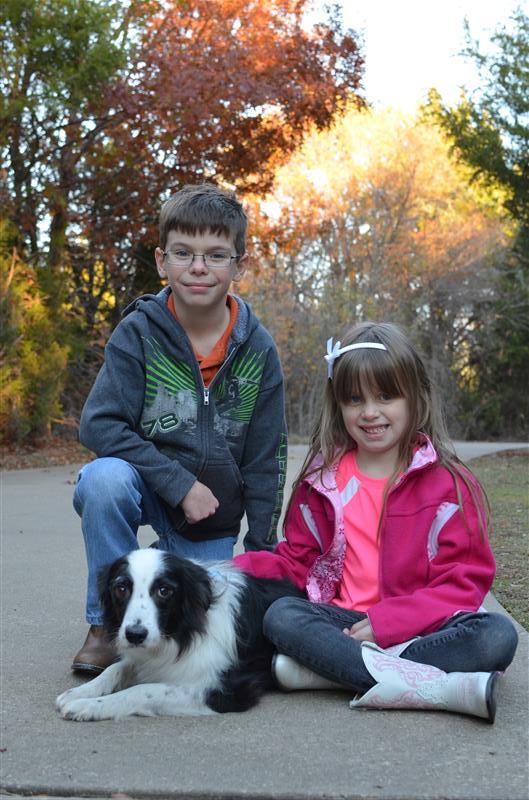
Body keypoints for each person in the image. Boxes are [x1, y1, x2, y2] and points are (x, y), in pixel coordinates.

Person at [234, 321, 518, 723]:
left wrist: (388, 624)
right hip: (343, 626)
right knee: (282, 616)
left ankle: (331, 672)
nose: (369, 412)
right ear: (339, 404)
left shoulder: (448, 485)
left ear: (415, 397)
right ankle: (429, 686)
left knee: (496, 637)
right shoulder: (323, 481)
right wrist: (231, 568)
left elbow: (462, 584)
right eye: (354, 399)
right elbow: (297, 562)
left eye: (386, 395)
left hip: (424, 628)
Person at [72, 183, 287, 674]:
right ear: (162, 260)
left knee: (202, 619)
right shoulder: (138, 333)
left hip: (209, 516)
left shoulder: (257, 350)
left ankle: (153, 586)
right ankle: (106, 626)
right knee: (103, 480)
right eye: (184, 253)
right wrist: (179, 484)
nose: (198, 267)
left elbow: (266, 458)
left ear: (239, 265)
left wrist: (262, 552)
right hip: (146, 487)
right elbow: (99, 423)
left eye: (216, 255)